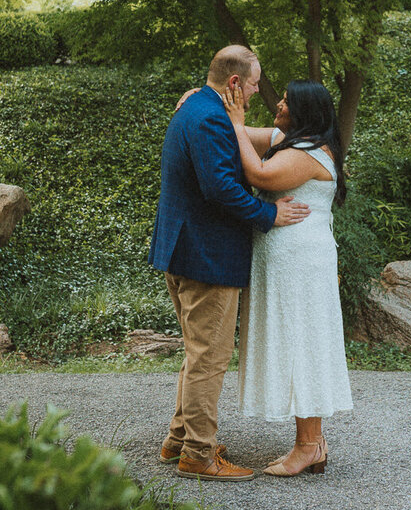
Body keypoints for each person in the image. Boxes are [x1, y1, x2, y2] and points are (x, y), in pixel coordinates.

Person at [148, 45, 310, 482]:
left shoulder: (199, 106)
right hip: (206, 255)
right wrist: (270, 214)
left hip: (186, 248)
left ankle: (179, 438)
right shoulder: (208, 118)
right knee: (210, 358)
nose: (259, 91)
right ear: (235, 83)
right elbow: (220, 188)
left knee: (196, 351)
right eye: (255, 83)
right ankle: (199, 455)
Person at [221, 79, 354, 477]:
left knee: (303, 343)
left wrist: (235, 116)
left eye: (286, 100)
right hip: (285, 263)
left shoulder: (310, 153)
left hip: (301, 265)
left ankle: (309, 445)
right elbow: (239, 134)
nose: (278, 103)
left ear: (305, 111)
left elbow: (259, 174)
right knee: (295, 341)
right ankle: (312, 444)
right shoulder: (289, 138)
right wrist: (207, 102)